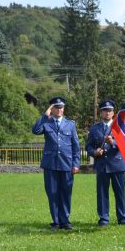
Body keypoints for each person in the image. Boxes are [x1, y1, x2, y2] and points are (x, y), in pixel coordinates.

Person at [32, 96, 81, 231]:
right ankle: (56, 221)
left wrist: (76, 164)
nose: (59, 110)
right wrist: (44, 116)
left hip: (67, 164)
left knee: (66, 193)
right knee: (52, 193)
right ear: (52, 109)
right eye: (56, 107)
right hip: (51, 164)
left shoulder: (70, 124)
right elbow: (35, 130)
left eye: (61, 107)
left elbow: (76, 146)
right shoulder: (46, 123)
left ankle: (65, 221)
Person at [86, 99, 125, 226]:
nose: (107, 113)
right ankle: (104, 218)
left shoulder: (120, 127)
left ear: (113, 112)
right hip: (102, 164)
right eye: (105, 110)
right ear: (101, 113)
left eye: (109, 110)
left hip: (117, 164)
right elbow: (88, 146)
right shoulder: (95, 129)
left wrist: (113, 142)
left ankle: (122, 218)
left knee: (120, 193)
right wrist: (94, 152)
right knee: (102, 193)